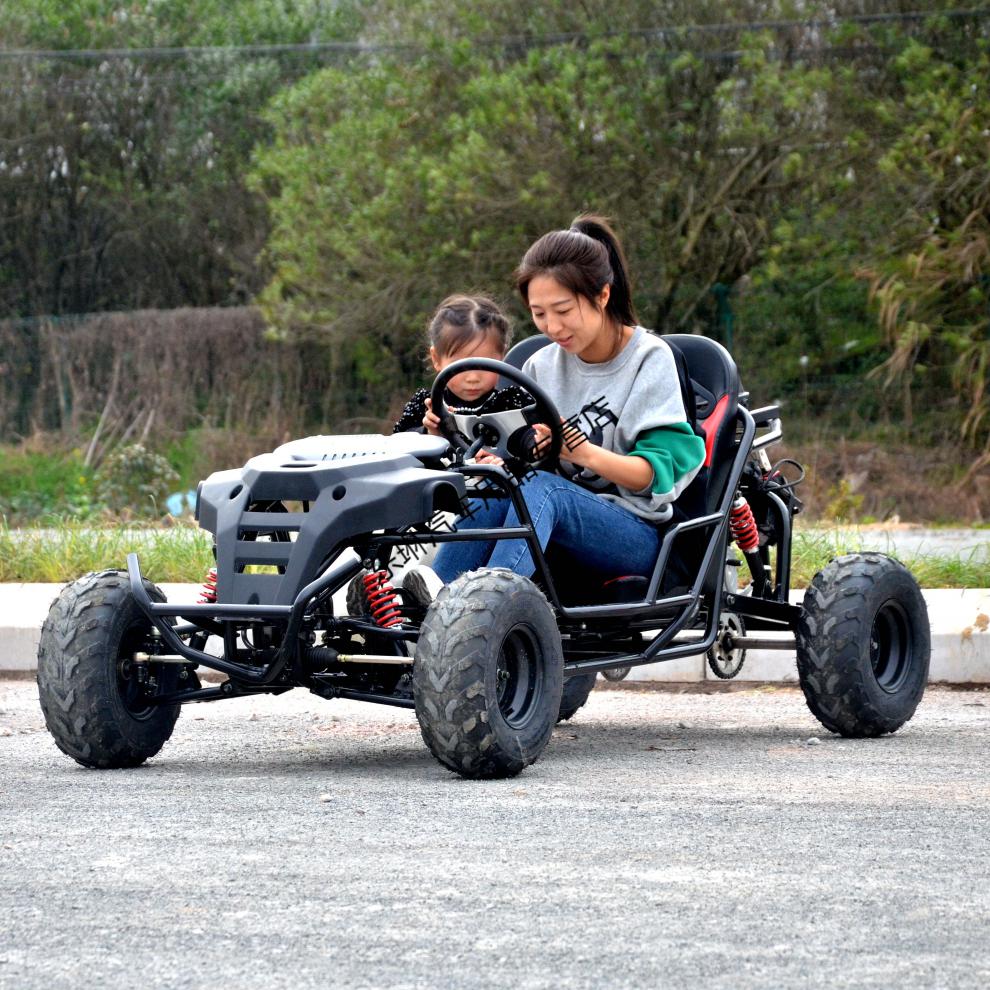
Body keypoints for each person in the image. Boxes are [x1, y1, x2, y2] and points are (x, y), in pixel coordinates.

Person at [411, 214, 706, 600]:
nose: (551, 326)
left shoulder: (650, 360)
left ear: (602, 295)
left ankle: (486, 601)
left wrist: (584, 454)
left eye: (563, 310)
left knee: (543, 489)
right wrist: (504, 457)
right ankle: (436, 600)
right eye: (539, 314)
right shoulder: (539, 366)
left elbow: (654, 477)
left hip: (636, 533)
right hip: (554, 525)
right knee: (496, 486)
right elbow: (528, 462)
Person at [392, 294, 530, 436]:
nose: (472, 378)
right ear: (436, 359)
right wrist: (430, 433)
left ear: (501, 357)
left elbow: (533, 444)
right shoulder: (425, 406)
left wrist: (538, 441)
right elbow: (399, 445)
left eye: (484, 365)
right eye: (460, 366)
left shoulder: (514, 404)